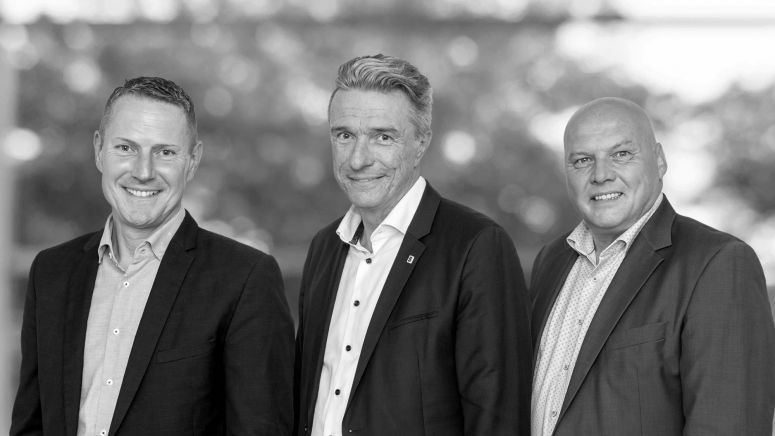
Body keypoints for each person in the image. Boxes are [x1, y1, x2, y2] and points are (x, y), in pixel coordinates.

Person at [11, 76, 295, 435]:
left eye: (165, 152)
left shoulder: (245, 279)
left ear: (192, 161)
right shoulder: (51, 273)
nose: (143, 172)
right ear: (99, 150)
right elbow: (31, 425)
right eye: (125, 148)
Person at [293, 54, 532, 436]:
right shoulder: (324, 247)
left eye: (383, 137)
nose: (358, 159)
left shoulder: (477, 247)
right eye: (345, 135)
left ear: (421, 143)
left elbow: (498, 417)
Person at [530, 97, 775, 435]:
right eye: (583, 160)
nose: (601, 175)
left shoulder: (718, 263)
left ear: (659, 160)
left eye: (621, 154)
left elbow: (730, 426)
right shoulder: (550, 261)